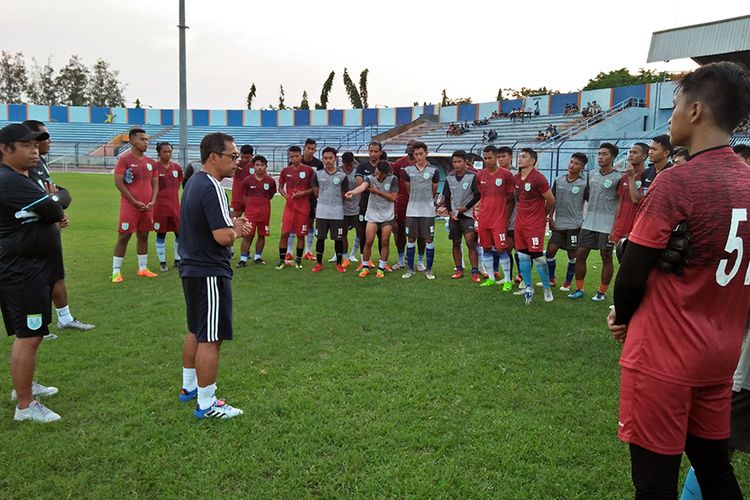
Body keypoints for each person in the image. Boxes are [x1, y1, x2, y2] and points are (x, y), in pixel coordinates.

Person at [608, 61, 750, 499]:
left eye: (675, 106)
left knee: (654, 482)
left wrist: (622, 314)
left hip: (664, 355)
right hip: (720, 355)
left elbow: (631, 275)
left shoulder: (677, 181)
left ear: (695, 112)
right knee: (713, 467)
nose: (669, 118)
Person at [178, 132, 251, 420]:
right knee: (211, 336)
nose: (236, 162)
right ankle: (207, 404)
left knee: (196, 329)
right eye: (232, 157)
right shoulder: (211, 187)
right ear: (213, 157)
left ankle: (189, 387)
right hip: (208, 270)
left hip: (193, 268)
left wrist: (229, 225)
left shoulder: (194, 182)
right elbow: (222, 237)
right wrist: (237, 229)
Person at [1, 123, 67, 422]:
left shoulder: (23, 178)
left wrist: (53, 202)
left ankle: (23, 386)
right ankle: (25, 405)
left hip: (32, 267)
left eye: (35, 145)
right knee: (29, 335)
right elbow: (54, 209)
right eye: (26, 145)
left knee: (33, 333)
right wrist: (52, 202)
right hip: (22, 270)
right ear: (5, 149)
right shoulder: (9, 181)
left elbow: (58, 201)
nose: (34, 150)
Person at [22, 120, 94, 334]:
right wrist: (53, 204)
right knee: (34, 280)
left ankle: (65, 318)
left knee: (55, 274)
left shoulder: (40, 163)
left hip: (48, 228)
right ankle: (36, 327)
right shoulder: (19, 169)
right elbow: (37, 200)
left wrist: (55, 207)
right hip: (29, 233)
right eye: (44, 137)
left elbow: (62, 195)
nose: (49, 141)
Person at [568, 143, 620, 301]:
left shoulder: (619, 177)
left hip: (607, 223)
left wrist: (615, 227)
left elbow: (620, 203)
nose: (600, 157)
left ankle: (602, 292)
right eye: (599, 154)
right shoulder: (591, 174)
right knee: (581, 254)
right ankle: (579, 289)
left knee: (606, 256)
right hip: (589, 222)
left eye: (604, 154)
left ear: (612, 157)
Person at [111, 128, 159, 283]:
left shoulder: (151, 163)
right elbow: (118, 182)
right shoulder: (124, 160)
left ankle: (143, 268)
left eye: (147, 139)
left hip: (147, 206)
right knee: (124, 236)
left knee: (144, 235)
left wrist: (152, 201)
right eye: (142, 139)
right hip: (130, 205)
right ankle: (116, 271)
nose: (146, 142)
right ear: (132, 141)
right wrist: (134, 201)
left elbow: (155, 183)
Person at [512, 148, 555, 304]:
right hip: (520, 222)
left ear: (532, 160)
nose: (520, 159)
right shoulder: (516, 178)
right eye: (520, 156)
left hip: (534, 223)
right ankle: (528, 286)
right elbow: (518, 199)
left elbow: (551, 199)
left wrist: (542, 215)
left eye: (524, 157)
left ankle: (546, 288)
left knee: (537, 256)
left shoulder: (538, 178)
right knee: (522, 255)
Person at [543, 153, 588, 291]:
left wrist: (583, 221)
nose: (572, 165)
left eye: (576, 163)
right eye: (571, 161)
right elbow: (552, 199)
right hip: (559, 224)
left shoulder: (584, 183)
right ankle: (551, 279)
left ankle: (567, 283)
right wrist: (551, 217)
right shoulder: (559, 180)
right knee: (550, 251)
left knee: (572, 255)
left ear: (582, 167)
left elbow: (590, 203)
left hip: (575, 225)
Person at [345, 160, 398, 278]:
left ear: (386, 173)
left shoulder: (393, 179)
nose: (378, 175)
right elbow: (362, 187)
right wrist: (352, 192)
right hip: (372, 214)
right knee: (368, 241)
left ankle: (381, 268)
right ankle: (365, 267)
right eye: (377, 172)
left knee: (385, 241)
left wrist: (377, 192)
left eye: (381, 174)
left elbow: (393, 197)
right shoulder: (369, 178)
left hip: (387, 215)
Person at [476, 145, 515, 289]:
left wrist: (506, 217)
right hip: (484, 218)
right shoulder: (480, 175)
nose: (487, 161)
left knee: (501, 249)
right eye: (485, 158)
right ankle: (491, 278)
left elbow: (511, 198)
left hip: (499, 219)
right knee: (486, 248)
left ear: (496, 157)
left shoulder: (506, 175)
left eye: (490, 158)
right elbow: (482, 194)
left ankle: (507, 280)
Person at [401, 141, 440, 280]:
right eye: (416, 154)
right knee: (410, 239)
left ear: (426, 154)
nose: (418, 157)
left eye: (421, 154)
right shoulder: (407, 171)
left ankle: (429, 270)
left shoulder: (434, 171)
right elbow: (408, 190)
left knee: (429, 239)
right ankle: (410, 269)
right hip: (412, 210)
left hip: (428, 211)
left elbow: (433, 191)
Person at [443, 150, 481, 281]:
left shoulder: (472, 176)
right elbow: (447, 197)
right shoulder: (449, 177)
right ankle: (459, 269)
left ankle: (475, 271)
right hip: (454, 216)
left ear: (465, 163)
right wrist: (450, 212)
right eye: (454, 162)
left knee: (471, 241)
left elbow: (478, 195)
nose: (457, 164)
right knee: (456, 243)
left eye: (459, 161)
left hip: (468, 215)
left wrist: (466, 208)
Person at [276, 146, 314, 270]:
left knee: (301, 235)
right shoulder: (285, 170)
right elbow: (280, 187)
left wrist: (303, 193)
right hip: (290, 207)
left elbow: (314, 188)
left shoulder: (308, 170)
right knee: (284, 233)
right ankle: (282, 260)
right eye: (291, 156)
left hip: (303, 208)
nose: (294, 158)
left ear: (300, 156)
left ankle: (298, 260)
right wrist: (285, 195)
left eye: (296, 156)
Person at [310, 147, 348, 273]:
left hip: (337, 211)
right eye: (325, 158)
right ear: (322, 159)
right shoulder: (317, 174)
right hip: (321, 211)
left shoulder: (342, 176)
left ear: (335, 158)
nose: (328, 161)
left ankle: (339, 263)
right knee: (320, 238)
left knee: (338, 238)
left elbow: (344, 194)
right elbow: (316, 192)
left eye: (330, 158)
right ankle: (319, 263)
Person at [236, 155, 276, 267]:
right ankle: (243, 259)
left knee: (262, 235)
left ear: (265, 166)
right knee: (248, 235)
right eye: (257, 165)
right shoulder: (247, 180)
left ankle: (258, 257)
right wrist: (249, 206)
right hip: (251, 213)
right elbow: (244, 195)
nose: (259, 167)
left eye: (262, 165)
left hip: (264, 213)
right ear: (254, 166)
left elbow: (271, 194)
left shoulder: (270, 181)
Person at [609, 143, 648, 251]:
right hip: (621, 227)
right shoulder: (624, 178)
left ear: (644, 156)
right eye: (630, 152)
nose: (630, 155)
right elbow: (620, 203)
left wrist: (631, 177)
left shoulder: (647, 177)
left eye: (635, 152)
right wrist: (614, 227)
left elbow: (638, 200)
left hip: (637, 227)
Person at [391, 140, 422, 270]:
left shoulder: (424, 164)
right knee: (401, 231)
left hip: (419, 203)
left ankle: (420, 261)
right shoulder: (399, 164)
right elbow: (393, 183)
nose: (409, 147)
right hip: (402, 203)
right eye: (408, 145)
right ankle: (401, 259)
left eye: (412, 146)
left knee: (420, 233)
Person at [153, 141, 183, 272]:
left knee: (179, 234)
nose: (168, 154)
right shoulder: (154, 167)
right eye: (165, 152)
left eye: (170, 151)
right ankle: (162, 262)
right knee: (161, 235)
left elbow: (178, 185)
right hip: (160, 208)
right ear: (159, 153)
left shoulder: (176, 167)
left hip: (175, 207)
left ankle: (177, 259)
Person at [353, 142, 382, 267]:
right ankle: (364, 260)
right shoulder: (361, 167)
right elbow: (360, 185)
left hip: (381, 205)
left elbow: (386, 186)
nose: (373, 154)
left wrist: (371, 186)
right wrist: (374, 187)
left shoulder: (385, 166)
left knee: (382, 234)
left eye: (376, 151)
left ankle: (382, 261)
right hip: (365, 203)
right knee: (363, 233)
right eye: (371, 151)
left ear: (380, 152)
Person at [301, 138, 324, 261]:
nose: (310, 151)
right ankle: (289, 252)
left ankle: (308, 251)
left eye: (312, 149)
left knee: (310, 223)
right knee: (295, 223)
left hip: (311, 198)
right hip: (298, 198)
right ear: (304, 147)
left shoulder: (318, 164)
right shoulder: (296, 160)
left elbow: (319, 181)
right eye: (308, 148)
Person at [230, 144, 253, 218]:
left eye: (247, 158)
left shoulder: (256, 166)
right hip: (237, 201)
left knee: (248, 226)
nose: (244, 160)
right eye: (242, 157)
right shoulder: (235, 164)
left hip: (250, 201)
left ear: (252, 156)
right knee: (231, 223)